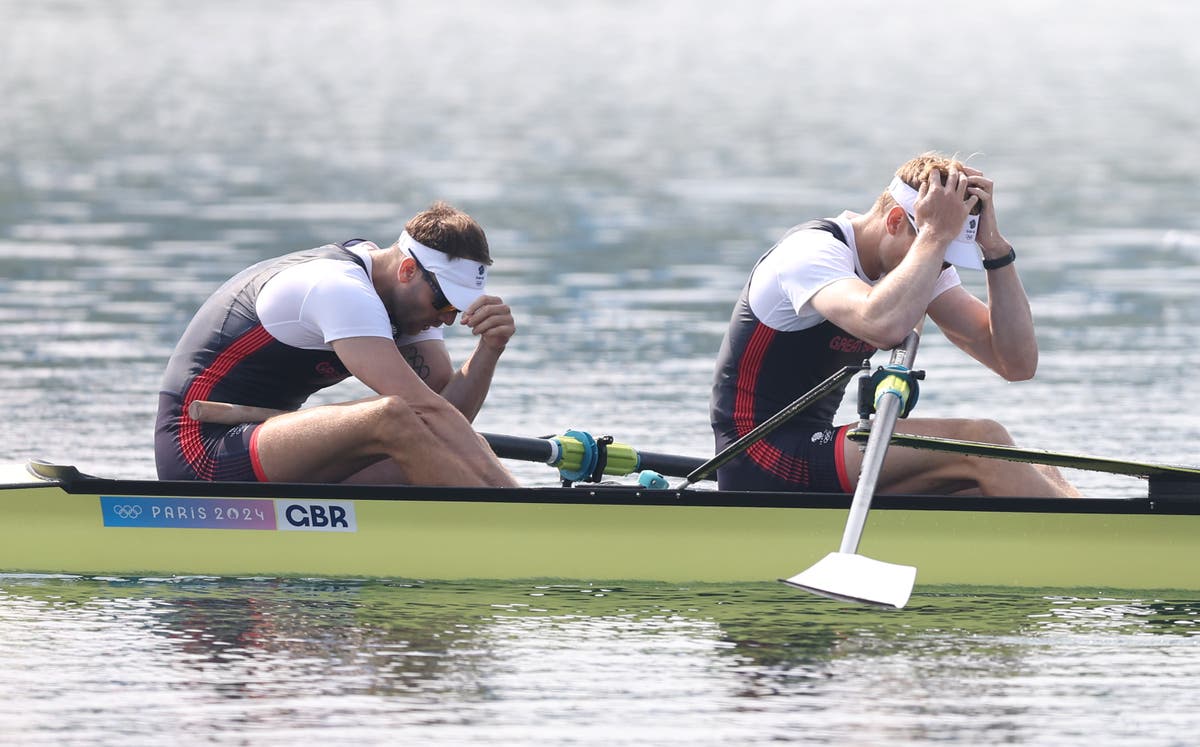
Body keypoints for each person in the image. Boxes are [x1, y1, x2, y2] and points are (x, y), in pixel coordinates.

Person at [710, 153, 1079, 497]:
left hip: (817, 447)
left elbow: (1016, 363)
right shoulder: (811, 254)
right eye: (938, 248)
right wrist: (935, 238)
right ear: (896, 221)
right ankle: (1092, 549)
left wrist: (996, 250)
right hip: (757, 455)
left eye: (947, 254)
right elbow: (880, 324)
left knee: (1029, 466)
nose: (940, 265)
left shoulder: (919, 258)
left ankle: (1091, 533)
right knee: (984, 440)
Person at [155, 201, 518, 487]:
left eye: (458, 308)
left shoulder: (406, 298)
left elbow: (447, 416)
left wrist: (490, 349)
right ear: (407, 271)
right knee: (391, 416)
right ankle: (515, 528)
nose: (448, 319)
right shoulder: (339, 289)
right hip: (201, 448)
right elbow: (426, 412)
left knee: (421, 449)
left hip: (267, 443)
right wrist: (513, 497)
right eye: (444, 304)